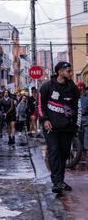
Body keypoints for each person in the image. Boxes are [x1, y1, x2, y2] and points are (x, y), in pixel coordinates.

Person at [38, 61, 79, 194]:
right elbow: (40, 106)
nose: (71, 73)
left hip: (67, 128)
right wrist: (44, 120)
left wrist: (74, 125)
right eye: (68, 71)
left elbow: (75, 107)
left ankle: (60, 180)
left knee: (64, 154)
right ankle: (56, 182)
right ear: (60, 72)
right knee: (54, 152)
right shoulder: (47, 86)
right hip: (51, 128)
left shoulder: (72, 88)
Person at [77, 82, 88, 152]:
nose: (77, 88)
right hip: (78, 119)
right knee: (79, 136)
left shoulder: (87, 96)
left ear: (82, 87)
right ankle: (80, 152)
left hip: (86, 119)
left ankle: (86, 151)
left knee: (86, 137)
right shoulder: (77, 96)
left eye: (78, 86)